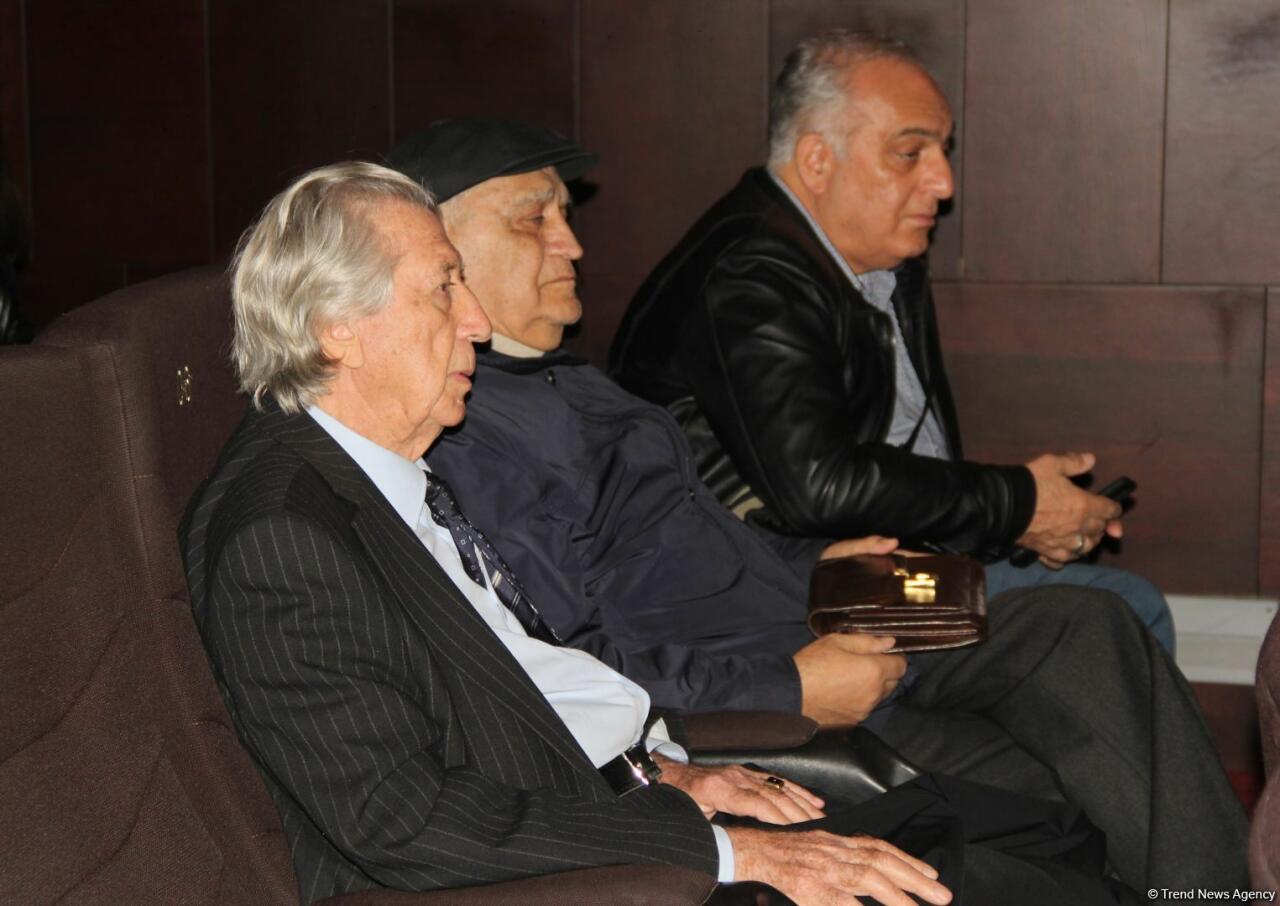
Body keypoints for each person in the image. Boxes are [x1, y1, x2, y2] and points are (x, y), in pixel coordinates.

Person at [181, 160, 1137, 906]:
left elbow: (527, 678)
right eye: (442, 289)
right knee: (1018, 878)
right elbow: (404, 822)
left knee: (1055, 836)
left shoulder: (388, 470)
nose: (475, 321)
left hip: (629, 794)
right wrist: (722, 849)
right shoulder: (285, 536)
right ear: (337, 327)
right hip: (575, 877)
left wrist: (665, 771)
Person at [387, 118, 1247, 892]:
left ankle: (1219, 894)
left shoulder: (567, 380)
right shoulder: (465, 430)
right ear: (441, 253)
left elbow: (704, 541)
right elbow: (566, 666)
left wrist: (822, 562)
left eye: (565, 214)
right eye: (533, 219)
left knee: (1085, 623)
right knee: (1069, 779)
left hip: (819, 620)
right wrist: (794, 686)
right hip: (764, 698)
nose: (572, 242)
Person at [607, 30, 1175, 654]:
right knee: (1119, 617)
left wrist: (1025, 516)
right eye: (910, 153)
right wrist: (1017, 505)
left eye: (943, 151)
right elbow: (822, 485)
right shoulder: (752, 273)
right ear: (817, 160)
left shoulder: (877, 257)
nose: (944, 182)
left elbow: (898, 459)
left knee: (1121, 610)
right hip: (771, 595)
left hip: (876, 564)